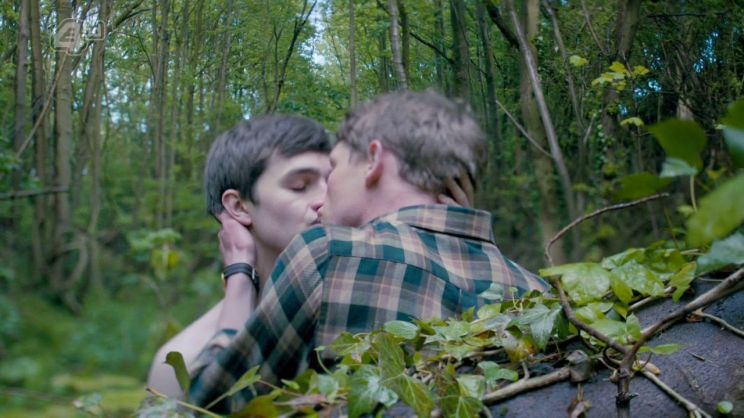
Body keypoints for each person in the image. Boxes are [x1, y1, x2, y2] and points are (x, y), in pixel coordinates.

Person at [188, 90, 548, 412]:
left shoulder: (331, 255)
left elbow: (210, 402)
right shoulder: (540, 294)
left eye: (334, 167)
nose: (324, 193)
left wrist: (239, 275)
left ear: (373, 160)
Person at [146, 114, 332, 398]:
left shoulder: (365, 312)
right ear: (239, 207)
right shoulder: (180, 362)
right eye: (299, 185)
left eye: (332, 181)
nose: (325, 198)